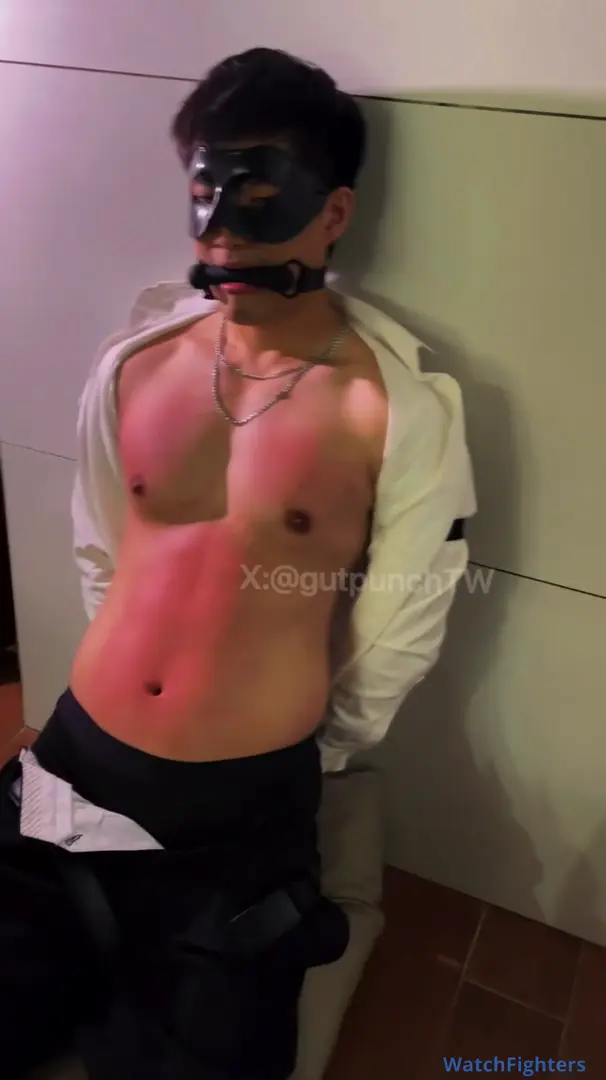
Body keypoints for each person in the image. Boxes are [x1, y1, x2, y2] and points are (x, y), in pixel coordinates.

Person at [0, 47, 475, 1079]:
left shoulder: (391, 406)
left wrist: (313, 749)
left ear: (334, 213)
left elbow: (405, 615)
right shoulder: (135, 364)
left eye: (260, 198)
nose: (221, 231)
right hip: (78, 760)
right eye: (204, 194)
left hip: (239, 812)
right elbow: (101, 544)